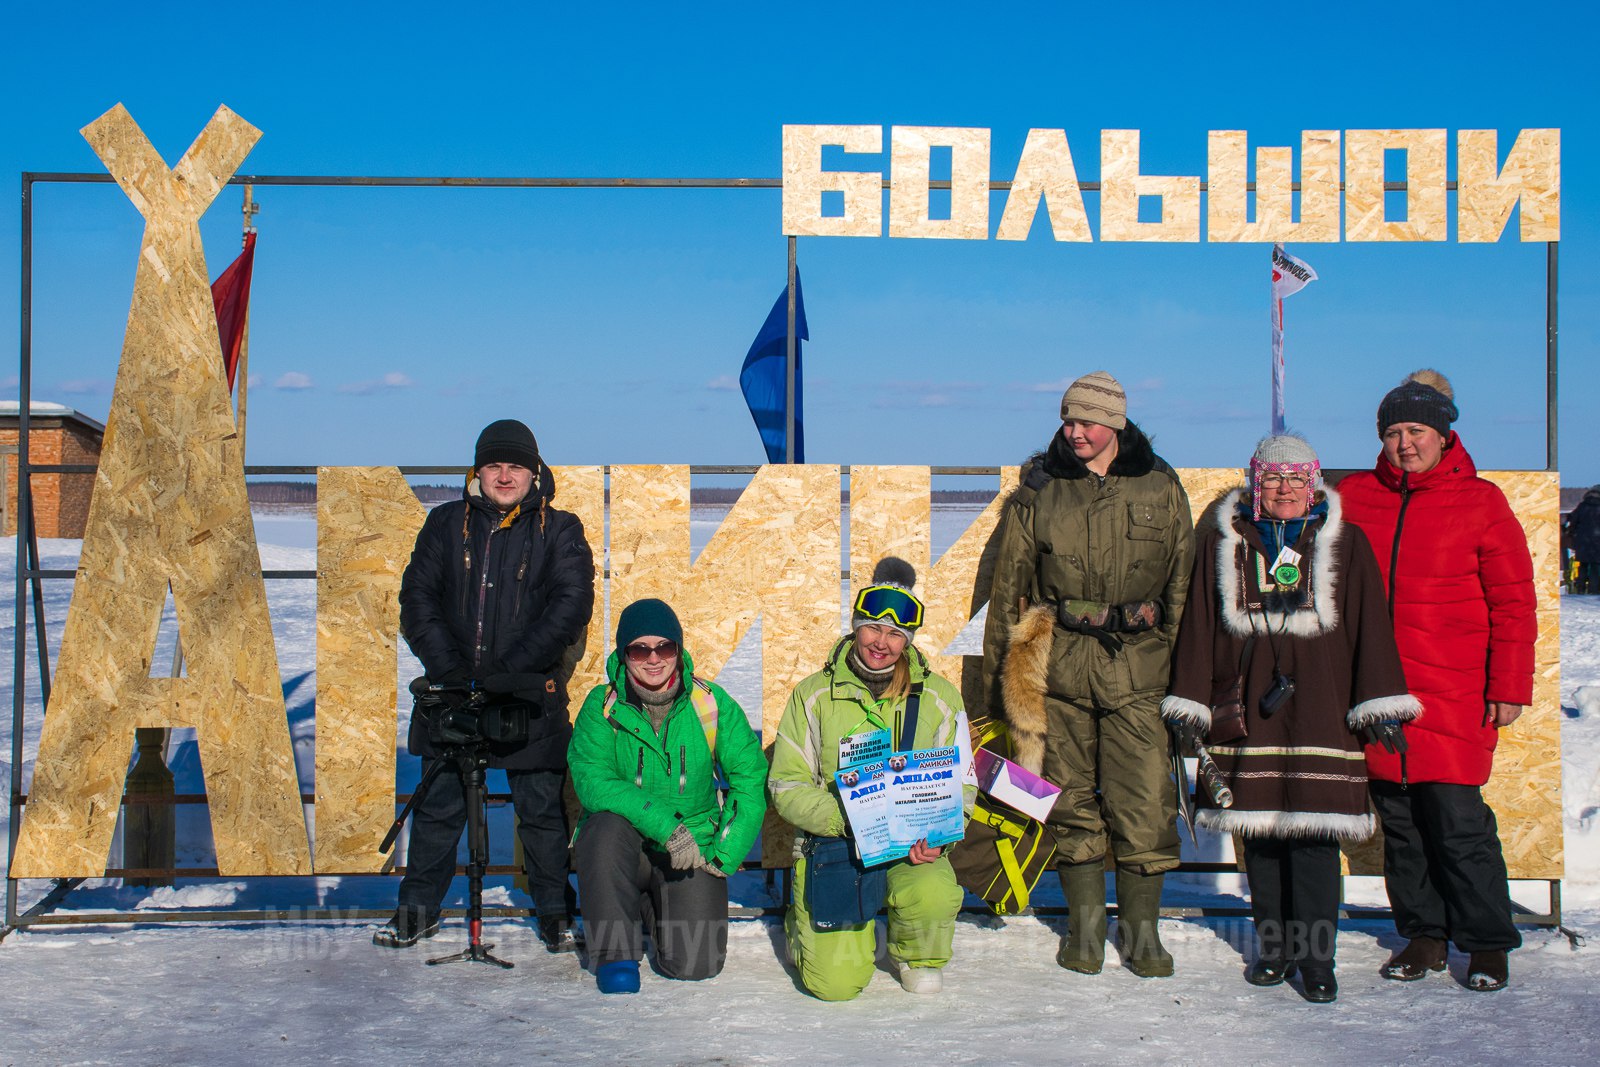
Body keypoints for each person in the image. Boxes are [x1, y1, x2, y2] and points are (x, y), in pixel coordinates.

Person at [1160, 434, 1422, 1004]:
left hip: (1322, 712)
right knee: (1264, 843)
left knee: (1314, 841)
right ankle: (1274, 950)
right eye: (1272, 479)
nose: (1283, 489)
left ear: (1313, 483)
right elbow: (1200, 628)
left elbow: (1370, 626)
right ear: (1256, 484)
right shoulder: (1222, 545)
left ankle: (1317, 958)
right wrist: (1190, 707)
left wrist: (1377, 702)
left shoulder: (1346, 544)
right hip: (1248, 714)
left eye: (1295, 479)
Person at [983, 370, 1194, 978]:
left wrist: (1183, 673)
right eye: (1067, 419)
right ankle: (1085, 928)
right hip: (1061, 666)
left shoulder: (1160, 487)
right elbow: (1010, 587)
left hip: (1142, 668)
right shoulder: (1042, 490)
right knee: (1069, 798)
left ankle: (1143, 933)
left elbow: (1180, 583)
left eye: (1086, 421)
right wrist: (1002, 681)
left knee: (1146, 800)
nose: (1073, 432)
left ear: (1116, 424)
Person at [1340, 370, 1536, 993]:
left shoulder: (1481, 503)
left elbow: (1513, 603)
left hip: (1452, 693)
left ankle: (1486, 942)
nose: (1405, 444)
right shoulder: (1356, 497)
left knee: (1457, 823)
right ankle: (1423, 936)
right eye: (1394, 431)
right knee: (1399, 824)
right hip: (1378, 692)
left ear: (1444, 435)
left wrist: (1508, 685)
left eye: (1416, 431)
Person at [375, 419, 595, 952]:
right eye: (494, 465)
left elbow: (570, 606)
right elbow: (417, 600)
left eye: (515, 466)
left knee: (541, 814)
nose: (504, 475)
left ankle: (554, 913)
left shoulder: (559, 530)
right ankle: (418, 910)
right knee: (438, 810)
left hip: (527, 697)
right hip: (452, 697)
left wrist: (509, 673)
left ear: (534, 472)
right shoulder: (446, 525)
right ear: (477, 472)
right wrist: (451, 673)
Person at [770, 558, 974, 1000]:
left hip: (909, 848)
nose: (881, 642)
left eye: (896, 634)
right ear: (856, 627)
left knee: (935, 889)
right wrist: (849, 818)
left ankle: (915, 956)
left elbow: (964, 781)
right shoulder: (813, 695)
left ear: (908, 640)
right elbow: (786, 785)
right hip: (836, 844)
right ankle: (800, 924)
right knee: (837, 988)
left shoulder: (940, 698)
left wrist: (940, 834)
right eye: (872, 628)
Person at [567, 599, 768, 994]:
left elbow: (750, 776)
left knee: (696, 964)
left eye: (665, 647)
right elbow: (594, 781)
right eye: (640, 649)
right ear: (624, 655)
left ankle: (649, 904)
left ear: (679, 650)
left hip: (693, 844)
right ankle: (616, 954)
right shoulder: (602, 706)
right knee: (603, 828)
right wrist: (667, 827)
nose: (654, 659)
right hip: (627, 845)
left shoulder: (710, 703)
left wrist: (724, 853)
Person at [1565, 486, 1600, 594]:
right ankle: (1593, 590)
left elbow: (1572, 521)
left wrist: (1571, 533)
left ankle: (1580, 589)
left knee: (1582, 565)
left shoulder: (1582, 506)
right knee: (1595, 566)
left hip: (1582, 541)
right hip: (1597, 542)